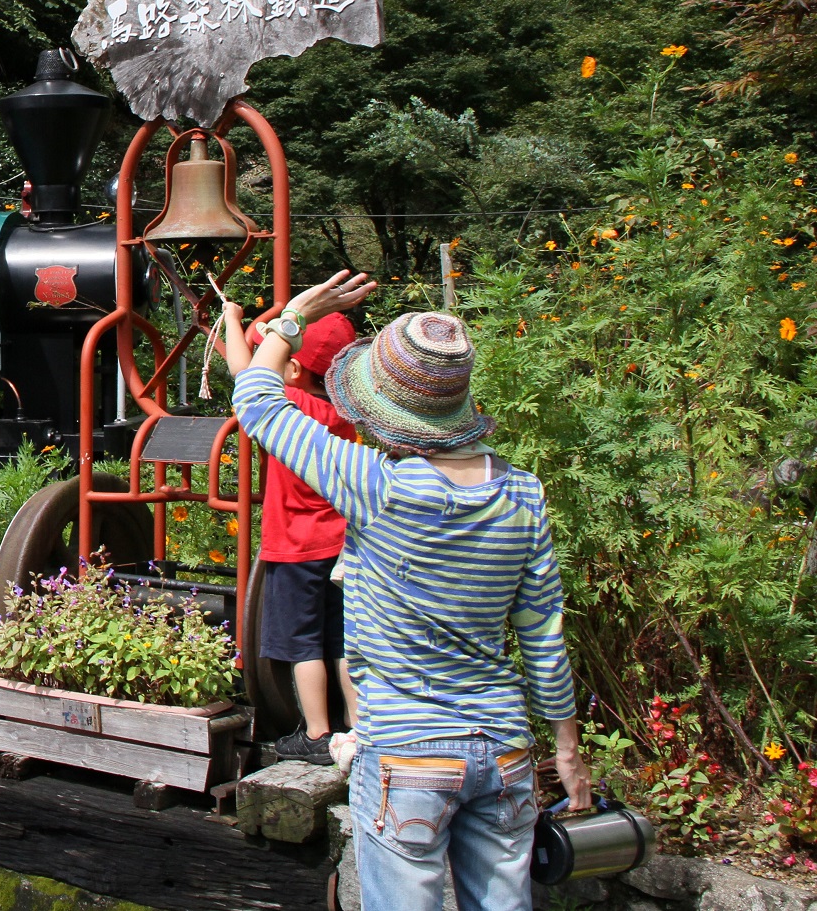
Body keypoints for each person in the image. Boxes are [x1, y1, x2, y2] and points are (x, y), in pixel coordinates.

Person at [222, 273, 592, 911]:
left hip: (406, 751)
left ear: (384, 404)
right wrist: (568, 748)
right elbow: (543, 637)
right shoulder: (523, 494)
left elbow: (255, 400)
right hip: (502, 750)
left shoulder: (374, 483)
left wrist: (292, 320)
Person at [245, 309, 360, 764]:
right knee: (343, 639)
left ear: (292, 367)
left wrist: (236, 319)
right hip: (343, 544)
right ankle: (357, 727)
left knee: (303, 643)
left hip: (295, 546)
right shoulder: (342, 415)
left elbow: (248, 371)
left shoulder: (289, 407)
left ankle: (316, 735)